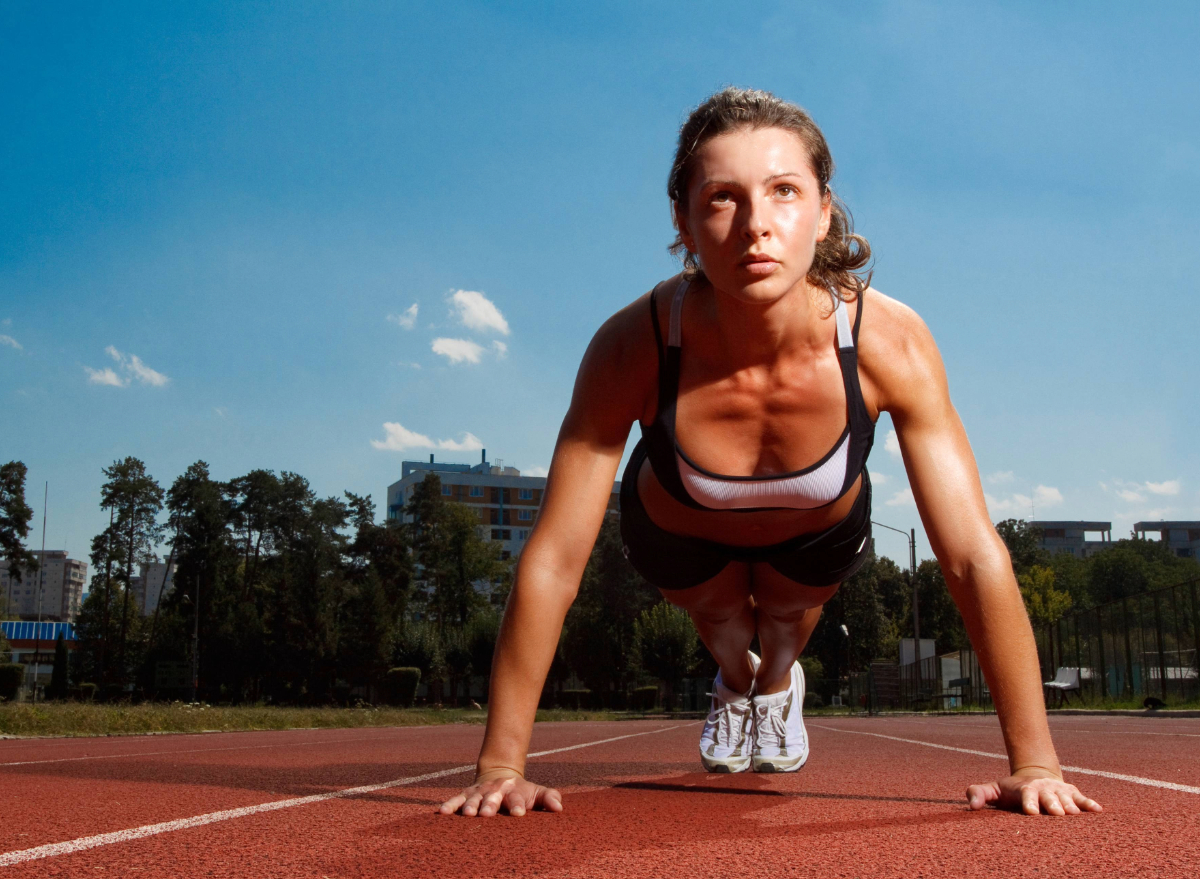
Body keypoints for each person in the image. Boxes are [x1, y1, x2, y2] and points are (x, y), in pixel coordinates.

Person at [440, 87, 1101, 818]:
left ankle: (779, 686)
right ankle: (734, 681)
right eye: (723, 198)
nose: (756, 225)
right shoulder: (630, 346)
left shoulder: (889, 341)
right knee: (725, 623)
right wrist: (502, 763)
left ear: (822, 211)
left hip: (817, 528)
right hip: (680, 527)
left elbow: (973, 553)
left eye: (784, 191)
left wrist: (1034, 761)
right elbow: (555, 559)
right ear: (683, 223)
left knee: (785, 623)